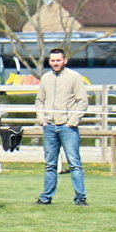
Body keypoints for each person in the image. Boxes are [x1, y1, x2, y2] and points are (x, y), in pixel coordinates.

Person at [34, 47, 89, 206]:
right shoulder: (45, 78)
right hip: (49, 127)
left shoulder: (74, 77)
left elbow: (82, 101)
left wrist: (72, 121)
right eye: (52, 60)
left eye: (58, 60)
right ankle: (46, 197)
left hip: (68, 128)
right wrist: (42, 120)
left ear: (65, 61)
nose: (55, 63)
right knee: (50, 164)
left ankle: (80, 197)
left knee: (74, 163)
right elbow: (40, 100)